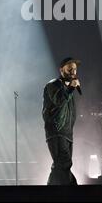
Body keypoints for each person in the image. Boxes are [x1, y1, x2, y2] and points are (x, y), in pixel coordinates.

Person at [42, 57, 81, 185]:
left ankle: (52, 191)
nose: (73, 71)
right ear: (61, 69)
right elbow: (58, 101)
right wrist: (70, 89)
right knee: (63, 163)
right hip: (57, 130)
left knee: (61, 165)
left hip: (67, 132)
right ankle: (69, 190)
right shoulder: (53, 85)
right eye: (69, 68)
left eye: (75, 69)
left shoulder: (68, 88)